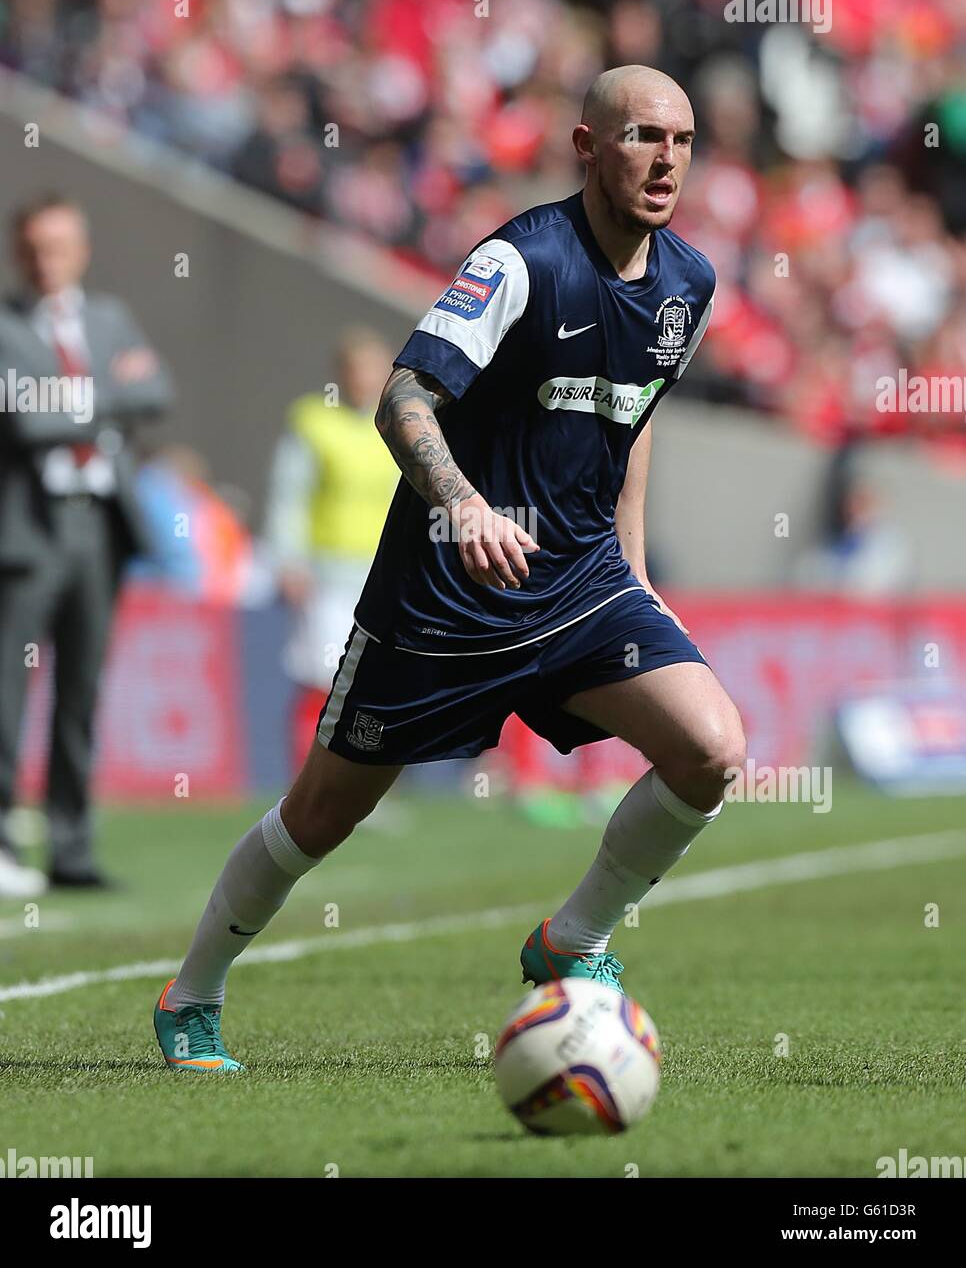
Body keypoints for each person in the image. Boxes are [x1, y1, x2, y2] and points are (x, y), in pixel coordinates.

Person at [153, 65, 746, 1072]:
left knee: (712, 749)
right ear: (588, 147)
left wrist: (635, 569)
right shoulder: (522, 260)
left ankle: (574, 939)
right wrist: (464, 504)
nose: (665, 158)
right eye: (642, 135)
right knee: (322, 814)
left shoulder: (689, 282)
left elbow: (635, 416)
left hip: (582, 583)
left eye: (681, 139)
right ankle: (191, 992)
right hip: (442, 599)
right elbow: (403, 398)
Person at [0, 194, 173, 896]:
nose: (48, 261)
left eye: (60, 246)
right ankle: (4, 842)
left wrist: (66, 397)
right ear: (19, 251)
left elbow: (157, 391)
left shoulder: (109, 318)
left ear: (83, 249)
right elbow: (22, 418)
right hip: (28, 527)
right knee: (8, 688)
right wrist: (104, 396)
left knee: (82, 690)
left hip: (99, 522)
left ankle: (70, 847)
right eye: (36, 247)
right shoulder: (8, 325)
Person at [262, 330, 398, 771]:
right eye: (356, 370)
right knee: (321, 679)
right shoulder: (313, 423)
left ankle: (359, 786)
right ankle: (304, 788)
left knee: (378, 683)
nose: (365, 379)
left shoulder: (403, 423)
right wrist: (288, 560)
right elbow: (288, 496)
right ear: (340, 374)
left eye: (375, 370)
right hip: (326, 576)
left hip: (385, 573)